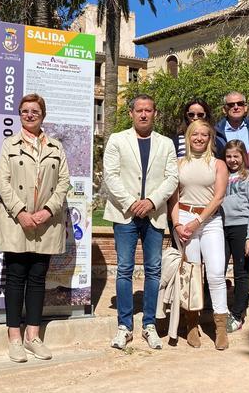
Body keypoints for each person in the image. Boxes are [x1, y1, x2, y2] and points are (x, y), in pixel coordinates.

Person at [0, 93, 70, 363]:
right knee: (15, 277)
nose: (30, 115)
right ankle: (14, 338)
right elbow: (3, 181)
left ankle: (33, 336)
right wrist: (21, 213)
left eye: (35, 111)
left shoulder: (56, 147)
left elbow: (63, 183)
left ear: (43, 114)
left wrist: (47, 211)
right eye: (25, 111)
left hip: (46, 224)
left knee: (37, 278)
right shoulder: (9, 145)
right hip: (17, 222)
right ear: (20, 114)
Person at [102, 94, 178, 350]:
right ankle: (124, 326)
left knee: (153, 270)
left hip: (154, 215)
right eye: (139, 110)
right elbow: (110, 177)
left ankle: (149, 324)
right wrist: (132, 203)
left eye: (148, 110)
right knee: (124, 268)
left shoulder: (166, 143)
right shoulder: (117, 140)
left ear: (155, 113)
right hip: (125, 214)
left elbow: (171, 178)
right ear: (131, 114)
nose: (144, 114)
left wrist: (152, 202)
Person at [168, 119, 229, 350]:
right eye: (195, 134)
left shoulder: (218, 164)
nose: (200, 138)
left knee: (215, 273)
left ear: (210, 138)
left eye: (204, 135)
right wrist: (176, 224)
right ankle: (191, 323)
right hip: (183, 220)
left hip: (209, 221)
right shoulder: (177, 163)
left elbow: (218, 197)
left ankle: (220, 326)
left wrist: (197, 222)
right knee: (190, 274)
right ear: (188, 137)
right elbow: (173, 198)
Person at [220, 140, 249, 333]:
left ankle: (237, 314)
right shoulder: (222, 175)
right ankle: (218, 309)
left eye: (236, 156)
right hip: (221, 227)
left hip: (241, 227)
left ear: (243, 156)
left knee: (241, 272)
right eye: (229, 156)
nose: (232, 160)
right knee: (217, 269)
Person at [214, 91, 249, 157]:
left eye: (240, 103)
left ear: (245, 107)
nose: (236, 107)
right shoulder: (215, 133)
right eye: (231, 105)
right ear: (224, 109)